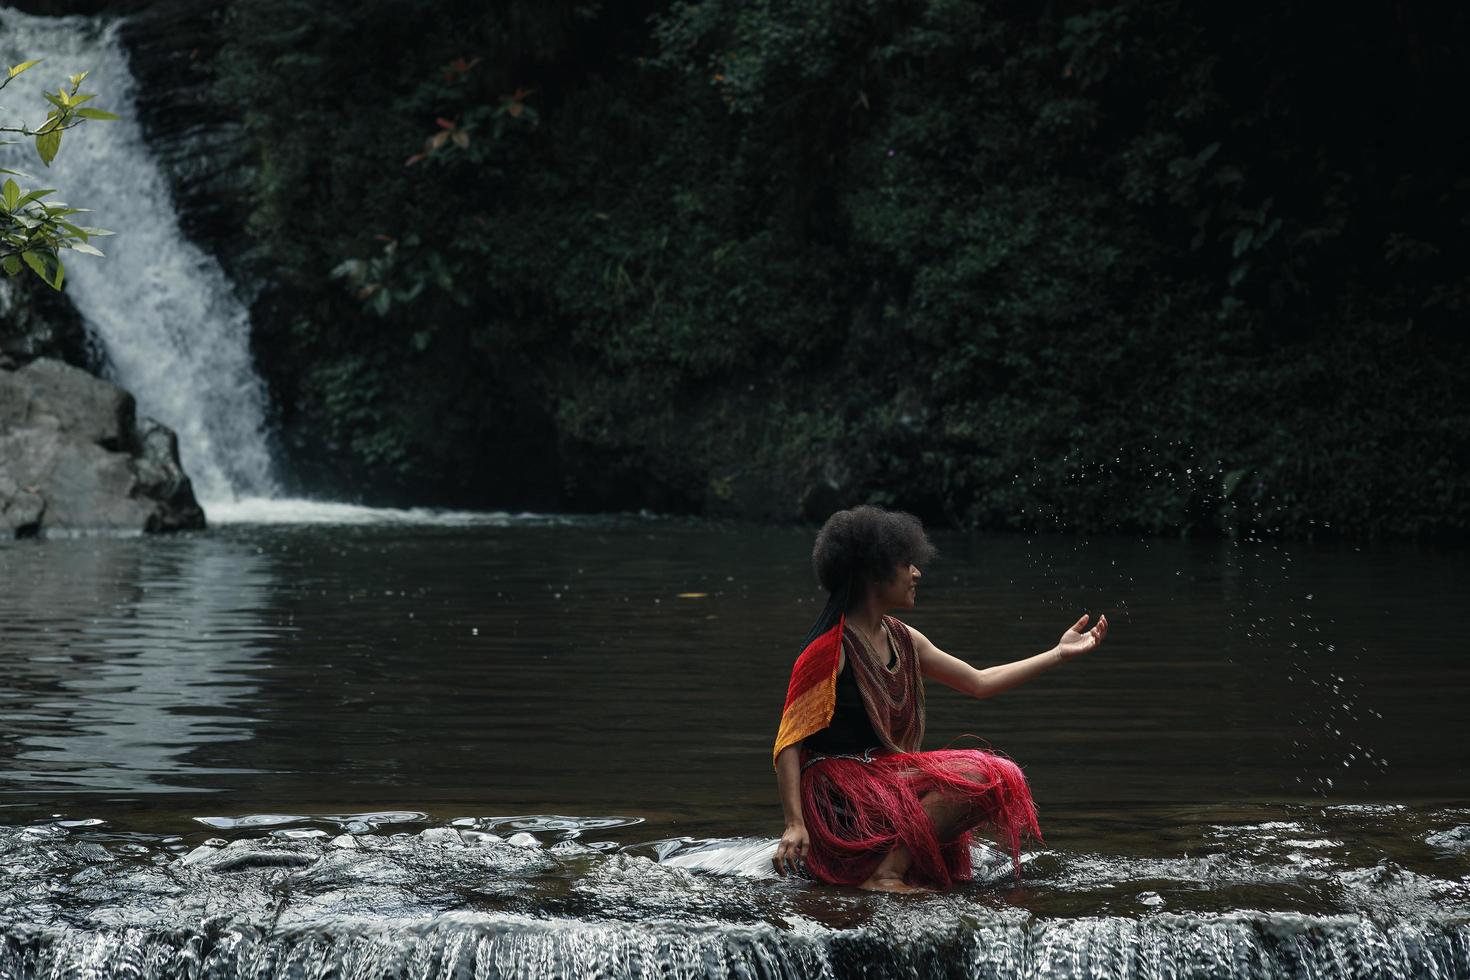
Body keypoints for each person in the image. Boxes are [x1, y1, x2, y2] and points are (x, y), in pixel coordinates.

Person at [771, 504, 1108, 892]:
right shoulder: (829, 650)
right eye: (906, 564)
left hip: (882, 778)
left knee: (996, 778)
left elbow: (979, 682)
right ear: (872, 573)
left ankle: (890, 865)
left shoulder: (903, 638)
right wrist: (795, 824)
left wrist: (1057, 654)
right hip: (838, 798)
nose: (917, 573)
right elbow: (788, 742)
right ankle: (884, 873)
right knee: (982, 775)